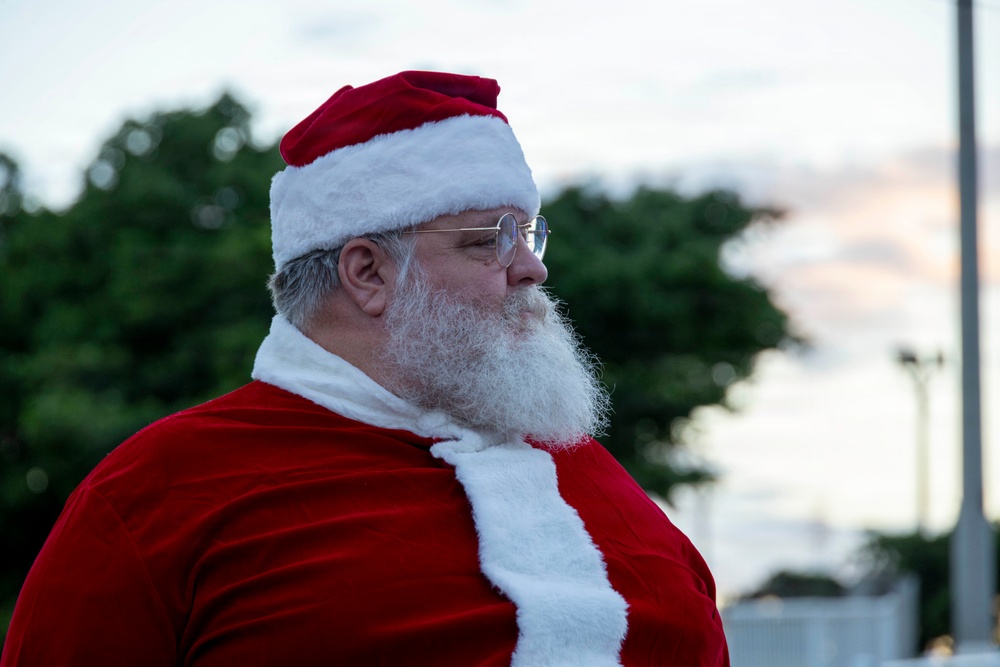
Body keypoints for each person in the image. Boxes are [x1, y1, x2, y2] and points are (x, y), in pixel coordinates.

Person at [1, 71, 729, 666]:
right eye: (491, 239)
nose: (532, 268)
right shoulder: (154, 495)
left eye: (529, 234)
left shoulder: (595, 474)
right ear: (368, 273)